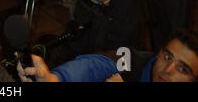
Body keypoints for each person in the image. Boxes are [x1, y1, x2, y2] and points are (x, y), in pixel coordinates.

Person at [17, 29, 198, 82]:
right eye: (168, 57)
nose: (168, 70)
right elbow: (94, 64)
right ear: (159, 53)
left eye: (182, 69)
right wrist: (55, 78)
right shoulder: (133, 60)